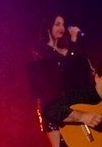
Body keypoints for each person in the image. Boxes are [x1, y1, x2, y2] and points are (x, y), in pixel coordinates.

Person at [29, 15, 92, 147]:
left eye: (63, 24)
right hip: (53, 108)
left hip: (70, 105)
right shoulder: (40, 51)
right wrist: (73, 39)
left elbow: (72, 67)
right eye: (57, 24)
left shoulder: (64, 50)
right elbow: (60, 67)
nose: (62, 27)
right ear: (48, 27)